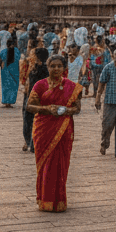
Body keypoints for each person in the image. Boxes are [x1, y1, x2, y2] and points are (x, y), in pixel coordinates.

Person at [27, 53, 82, 212]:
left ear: (64, 68)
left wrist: (64, 111)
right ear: (48, 67)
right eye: (53, 66)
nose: (56, 69)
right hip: (44, 129)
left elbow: (77, 109)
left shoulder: (72, 87)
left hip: (63, 128)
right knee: (45, 165)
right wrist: (46, 109)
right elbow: (30, 106)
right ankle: (44, 200)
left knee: (60, 165)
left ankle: (59, 200)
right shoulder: (40, 85)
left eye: (59, 66)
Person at [22, 47, 50, 153]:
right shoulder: (45, 69)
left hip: (33, 99)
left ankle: (32, 143)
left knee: (29, 122)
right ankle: (34, 144)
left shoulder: (38, 69)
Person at [0, 36, 20, 107]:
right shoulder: (17, 51)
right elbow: (18, 61)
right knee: (13, 87)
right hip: (15, 73)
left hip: (5, 73)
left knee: (6, 87)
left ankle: (6, 102)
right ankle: (10, 102)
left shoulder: (3, 52)